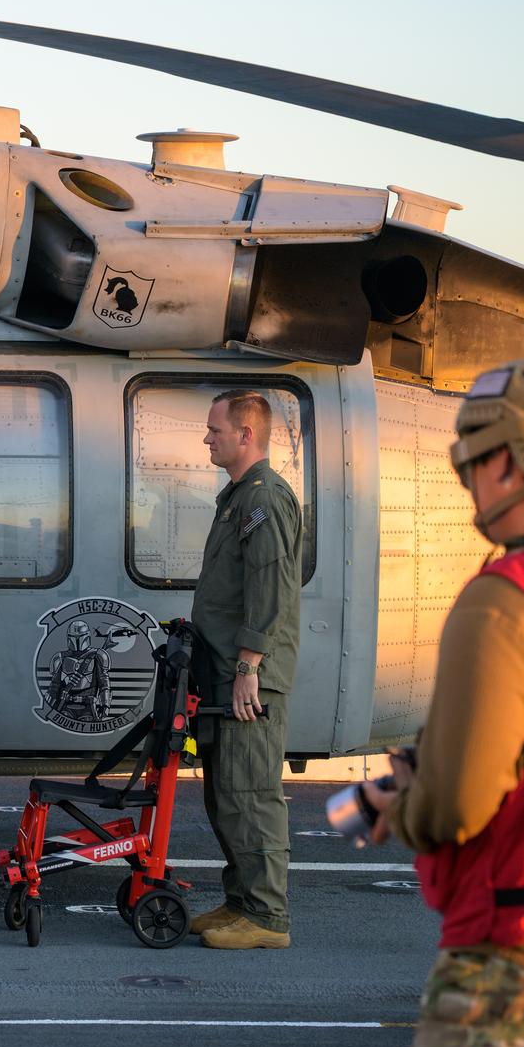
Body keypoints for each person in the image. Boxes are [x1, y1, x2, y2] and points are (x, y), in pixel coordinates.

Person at [361, 358, 524, 1047]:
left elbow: (456, 804)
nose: (468, 484)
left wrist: (404, 807)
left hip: (516, 960)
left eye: (470, 462)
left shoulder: (509, 598)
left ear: (512, 461)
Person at [188, 389, 303, 950]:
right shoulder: (237, 497)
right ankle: (240, 901)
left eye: (215, 430)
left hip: (247, 676)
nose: (208, 438)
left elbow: (271, 588)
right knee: (226, 792)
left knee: (251, 790)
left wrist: (249, 665)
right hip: (227, 670)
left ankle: (267, 916)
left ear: (246, 435)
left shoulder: (264, 499)